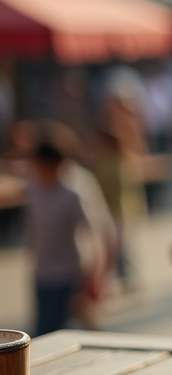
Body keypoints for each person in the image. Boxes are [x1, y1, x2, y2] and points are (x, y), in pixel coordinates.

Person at [23, 121, 115, 334]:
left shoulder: (75, 189)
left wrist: (99, 274)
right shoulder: (33, 183)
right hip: (42, 272)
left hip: (69, 274)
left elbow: (100, 230)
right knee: (44, 331)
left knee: (61, 334)